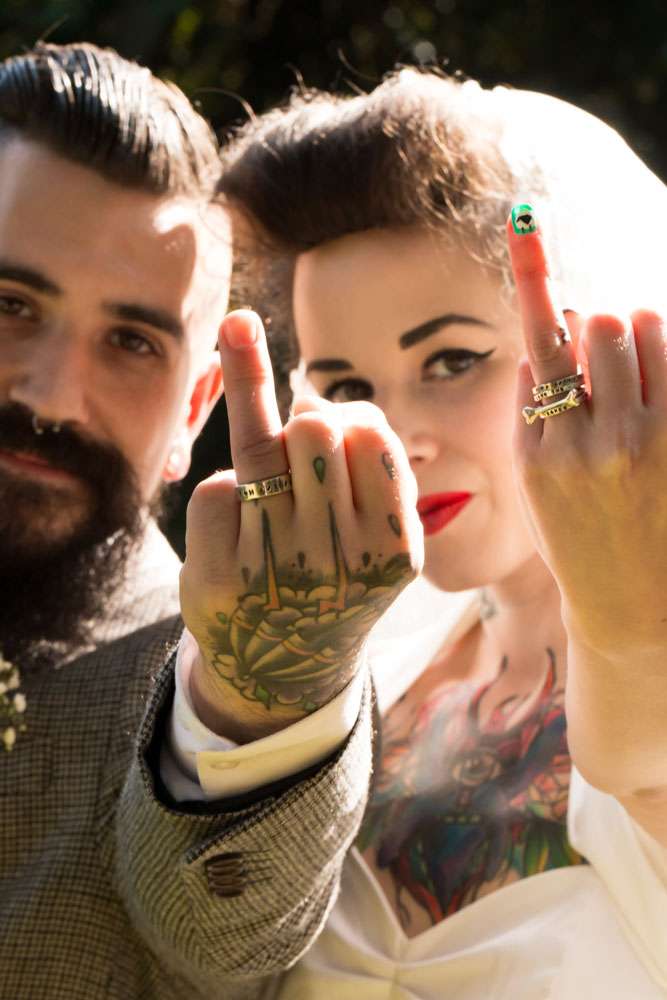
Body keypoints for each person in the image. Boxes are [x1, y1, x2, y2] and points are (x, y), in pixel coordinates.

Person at [204, 70, 667, 996]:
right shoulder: (352, 679)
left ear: (580, 342)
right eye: (346, 387)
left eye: (452, 360)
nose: (397, 436)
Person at [0, 41, 420, 1000]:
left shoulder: (190, 687)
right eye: (11, 303)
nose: (53, 395)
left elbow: (220, 936)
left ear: (195, 413)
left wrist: (254, 700)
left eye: (131, 341)